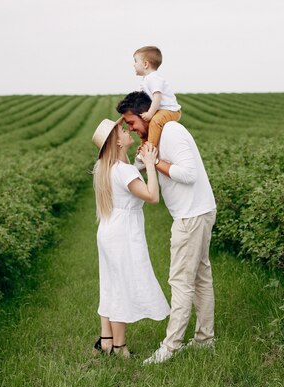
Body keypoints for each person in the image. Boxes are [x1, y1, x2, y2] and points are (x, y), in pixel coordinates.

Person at [116, 91, 217, 365]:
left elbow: (189, 173)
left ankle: (170, 347)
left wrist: (154, 162)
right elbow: (141, 163)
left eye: (132, 122)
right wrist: (144, 156)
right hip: (198, 211)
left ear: (145, 114)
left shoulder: (171, 131)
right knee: (200, 278)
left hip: (191, 215)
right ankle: (204, 340)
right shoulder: (155, 136)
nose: (132, 128)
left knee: (181, 282)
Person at [91, 118, 170, 358]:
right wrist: (150, 163)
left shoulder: (107, 167)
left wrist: (140, 164)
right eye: (123, 130)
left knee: (111, 283)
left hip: (108, 230)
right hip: (122, 233)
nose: (127, 132)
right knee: (122, 287)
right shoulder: (123, 170)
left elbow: (128, 177)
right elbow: (152, 196)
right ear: (116, 141)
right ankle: (119, 346)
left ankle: (106, 340)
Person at [132, 46, 181, 161]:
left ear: (145, 64)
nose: (133, 65)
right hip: (160, 110)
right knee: (146, 124)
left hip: (170, 110)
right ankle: (144, 148)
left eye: (135, 61)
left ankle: (149, 150)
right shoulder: (147, 79)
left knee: (155, 121)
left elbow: (157, 97)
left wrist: (150, 113)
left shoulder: (153, 78)